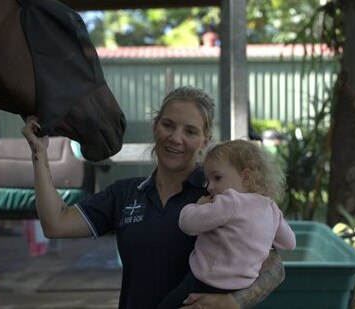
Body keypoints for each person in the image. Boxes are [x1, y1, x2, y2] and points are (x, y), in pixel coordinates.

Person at [22, 86, 286, 309]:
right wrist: (39, 154)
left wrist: (234, 302)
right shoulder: (125, 194)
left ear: (205, 141)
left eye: (190, 131)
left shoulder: (220, 197)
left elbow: (275, 267)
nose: (176, 138)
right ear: (156, 126)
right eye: (168, 125)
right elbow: (56, 223)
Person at [156, 140, 296, 309]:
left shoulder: (230, 201)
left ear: (246, 177)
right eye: (208, 180)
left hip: (207, 282)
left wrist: (197, 206)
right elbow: (289, 243)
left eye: (217, 178)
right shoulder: (271, 208)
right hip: (242, 287)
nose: (210, 187)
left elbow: (188, 225)